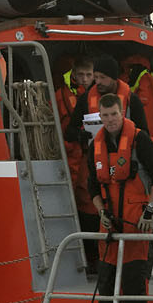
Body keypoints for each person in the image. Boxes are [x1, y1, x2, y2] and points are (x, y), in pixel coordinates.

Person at [88, 93, 153, 303]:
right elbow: (91, 186)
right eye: (105, 115)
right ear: (100, 116)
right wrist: (101, 212)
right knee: (107, 281)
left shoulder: (139, 140)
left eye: (114, 114)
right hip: (109, 224)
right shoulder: (95, 145)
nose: (110, 120)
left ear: (123, 113)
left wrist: (150, 211)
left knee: (133, 280)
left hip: (137, 223)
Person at [54, 54, 101, 272]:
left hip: (87, 158)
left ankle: (92, 256)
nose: (84, 79)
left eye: (88, 75)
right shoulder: (60, 95)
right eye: (80, 74)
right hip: (67, 156)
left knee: (88, 205)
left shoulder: (98, 96)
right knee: (68, 204)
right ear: (73, 74)